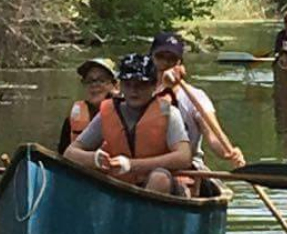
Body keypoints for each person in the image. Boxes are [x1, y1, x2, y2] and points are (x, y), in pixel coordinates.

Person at [64, 54, 192, 196]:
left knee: (159, 178)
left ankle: (146, 216)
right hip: (119, 186)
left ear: (154, 85)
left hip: (157, 185)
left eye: (140, 84)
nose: (133, 90)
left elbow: (184, 157)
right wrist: (94, 159)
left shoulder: (168, 113)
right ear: (120, 85)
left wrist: (132, 165)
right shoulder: (108, 112)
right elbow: (70, 153)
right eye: (128, 84)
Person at [149, 32, 245, 177]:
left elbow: (212, 134)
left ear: (180, 64)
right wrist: (163, 86)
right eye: (160, 57)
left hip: (187, 167)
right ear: (151, 58)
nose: (166, 63)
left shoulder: (196, 97)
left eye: (172, 59)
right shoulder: (139, 93)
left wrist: (229, 153)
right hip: (147, 162)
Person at [57, 58, 118, 154]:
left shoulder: (126, 111)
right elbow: (62, 154)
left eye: (101, 80)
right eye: (89, 81)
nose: (94, 85)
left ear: (114, 85)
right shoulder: (73, 117)